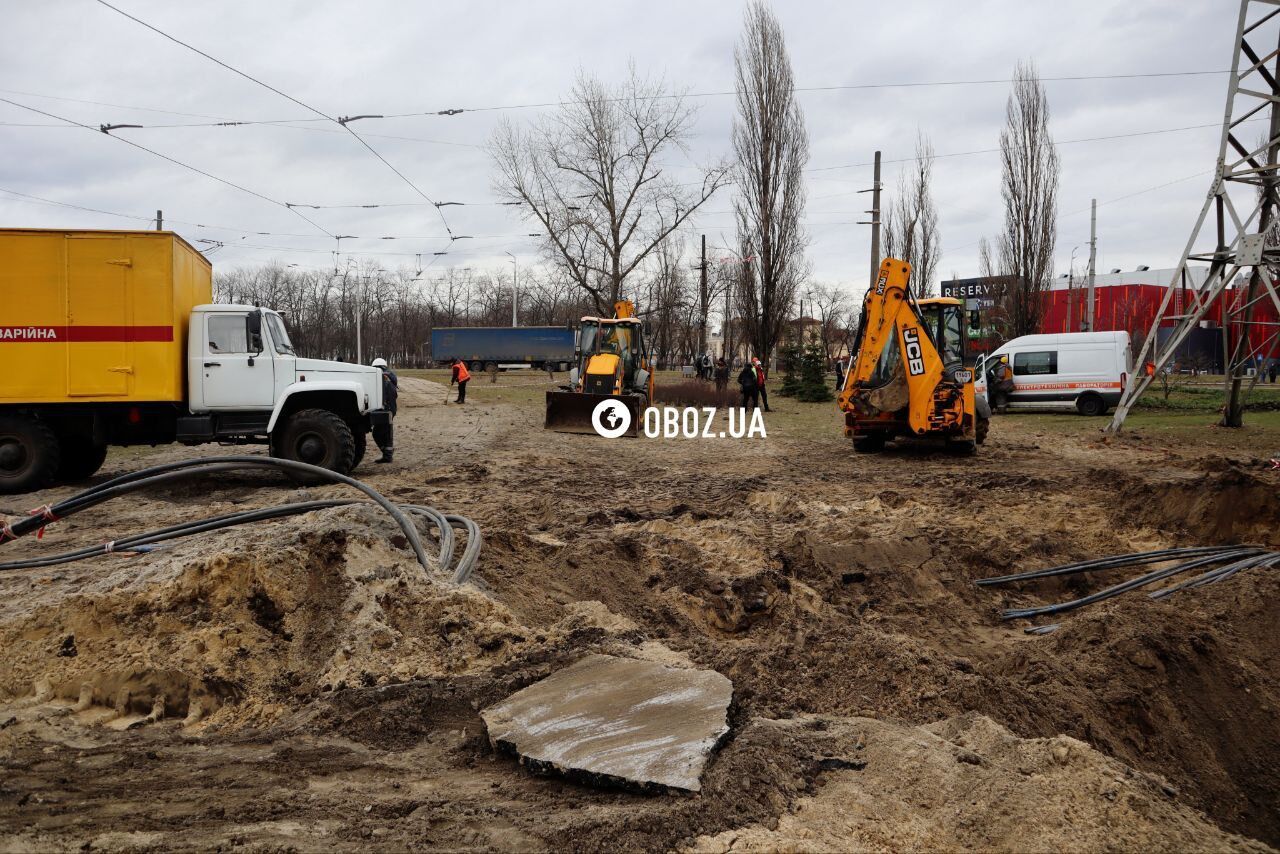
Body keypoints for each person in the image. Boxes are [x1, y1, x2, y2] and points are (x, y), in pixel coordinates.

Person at [371, 357, 397, 463]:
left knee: (377, 432)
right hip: (391, 408)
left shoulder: (382, 378)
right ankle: (388, 455)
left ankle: (387, 455)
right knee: (387, 432)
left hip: (386, 408)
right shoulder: (390, 376)